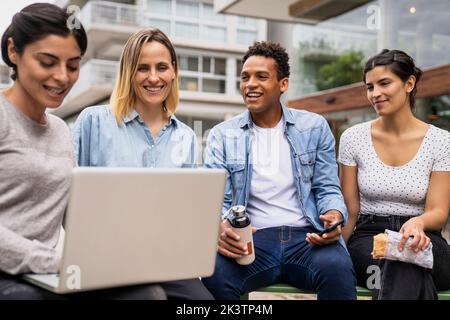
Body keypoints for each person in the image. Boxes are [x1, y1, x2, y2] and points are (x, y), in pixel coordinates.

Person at [0, 4, 166, 300]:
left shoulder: (61, 130)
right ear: (14, 51)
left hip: (46, 274)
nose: (63, 77)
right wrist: (55, 262)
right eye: (47, 62)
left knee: (147, 295)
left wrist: (124, 247)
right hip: (15, 275)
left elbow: (74, 216)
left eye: (73, 65)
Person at [201, 41, 356, 300]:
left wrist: (333, 214)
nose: (250, 84)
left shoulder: (314, 127)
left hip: (307, 237)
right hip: (252, 239)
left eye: (262, 77)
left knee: (337, 269)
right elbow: (218, 199)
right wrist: (222, 227)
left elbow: (327, 187)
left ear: (283, 84)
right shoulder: (222, 135)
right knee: (215, 273)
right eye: (245, 77)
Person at [72, 28, 212, 300]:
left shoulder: (184, 136)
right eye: (142, 68)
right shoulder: (94, 122)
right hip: (104, 260)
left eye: (162, 67)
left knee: (203, 302)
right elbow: (70, 201)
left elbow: (184, 213)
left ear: (173, 72)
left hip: (165, 261)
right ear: (128, 73)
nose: (153, 77)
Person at [339, 49, 450, 299]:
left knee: (405, 258)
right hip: (369, 241)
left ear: (409, 83)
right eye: (370, 87)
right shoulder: (353, 138)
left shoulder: (441, 142)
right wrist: (334, 248)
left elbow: (439, 212)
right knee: (402, 262)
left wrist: (418, 223)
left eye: (384, 83)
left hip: (426, 239)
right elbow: (350, 209)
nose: (375, 93)